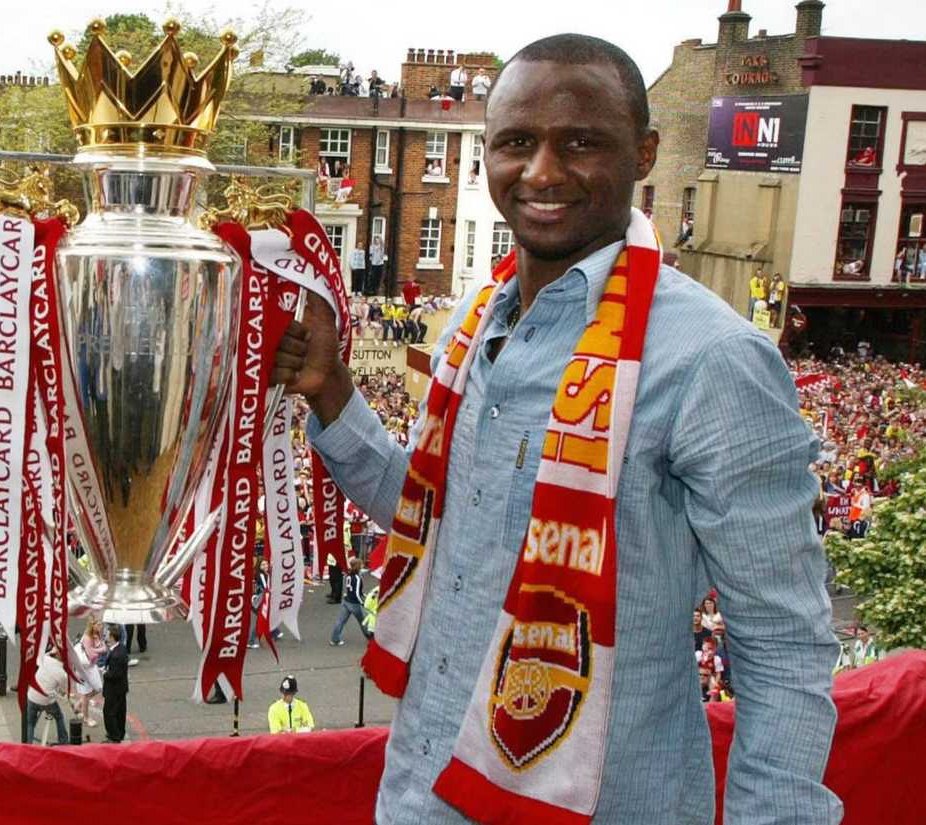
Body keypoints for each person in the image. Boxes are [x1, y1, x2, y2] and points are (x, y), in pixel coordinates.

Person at [270, 33, 838, 824]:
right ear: (487, 154)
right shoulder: (476, 318)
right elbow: (435, 514)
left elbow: (782, 645)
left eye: (581, 142)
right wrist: (332, 392)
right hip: (421, 789)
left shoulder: (713, 360)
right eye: (516, 142)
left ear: (643, 153)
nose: (542, 172)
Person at [23, 645, 70, 745]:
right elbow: (63, 690)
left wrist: (53, 650)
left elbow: (41, 657)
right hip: (46, 700)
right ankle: (63, 741)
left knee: (30, 723)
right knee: (59, 717)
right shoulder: (62, 674)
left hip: (32, 695)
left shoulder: (45, 659)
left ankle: (28, 745)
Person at [73, 616, 106, 726]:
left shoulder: (97, 634)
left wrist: (96, 649)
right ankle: (86, 718)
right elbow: (92, 655)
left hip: (92, 667)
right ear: (93, 626)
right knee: (86, 694)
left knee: (98, 688)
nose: (101, 627)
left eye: (101, 624)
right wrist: (98, 650)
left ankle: (79, 704)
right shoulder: (87, 638)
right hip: (83, 668)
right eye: (99, 624)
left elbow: (104, 648)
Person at [101, 624, 129, 743]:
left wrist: (104, 673)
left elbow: (114, 674)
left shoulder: (116, 655)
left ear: (112, 637)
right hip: (121, 688)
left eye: (108, 635)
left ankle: (114, 735)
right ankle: (120, 732)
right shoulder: (121, 648)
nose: (106, 637)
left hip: (114, 689)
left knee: (109, 712)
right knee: (120, 711)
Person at [330, 556, 366, 645]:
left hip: (346, 601)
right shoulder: (357, 578)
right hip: (354, 604)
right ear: (358, 566)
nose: (362, 566)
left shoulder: (349, 575)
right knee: (363, 622)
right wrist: (362, 602)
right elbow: (356, 593)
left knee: (340, 621)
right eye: (361, 565)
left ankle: (335, 639)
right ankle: (371, 638)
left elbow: (352, 590)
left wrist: (361, 594)